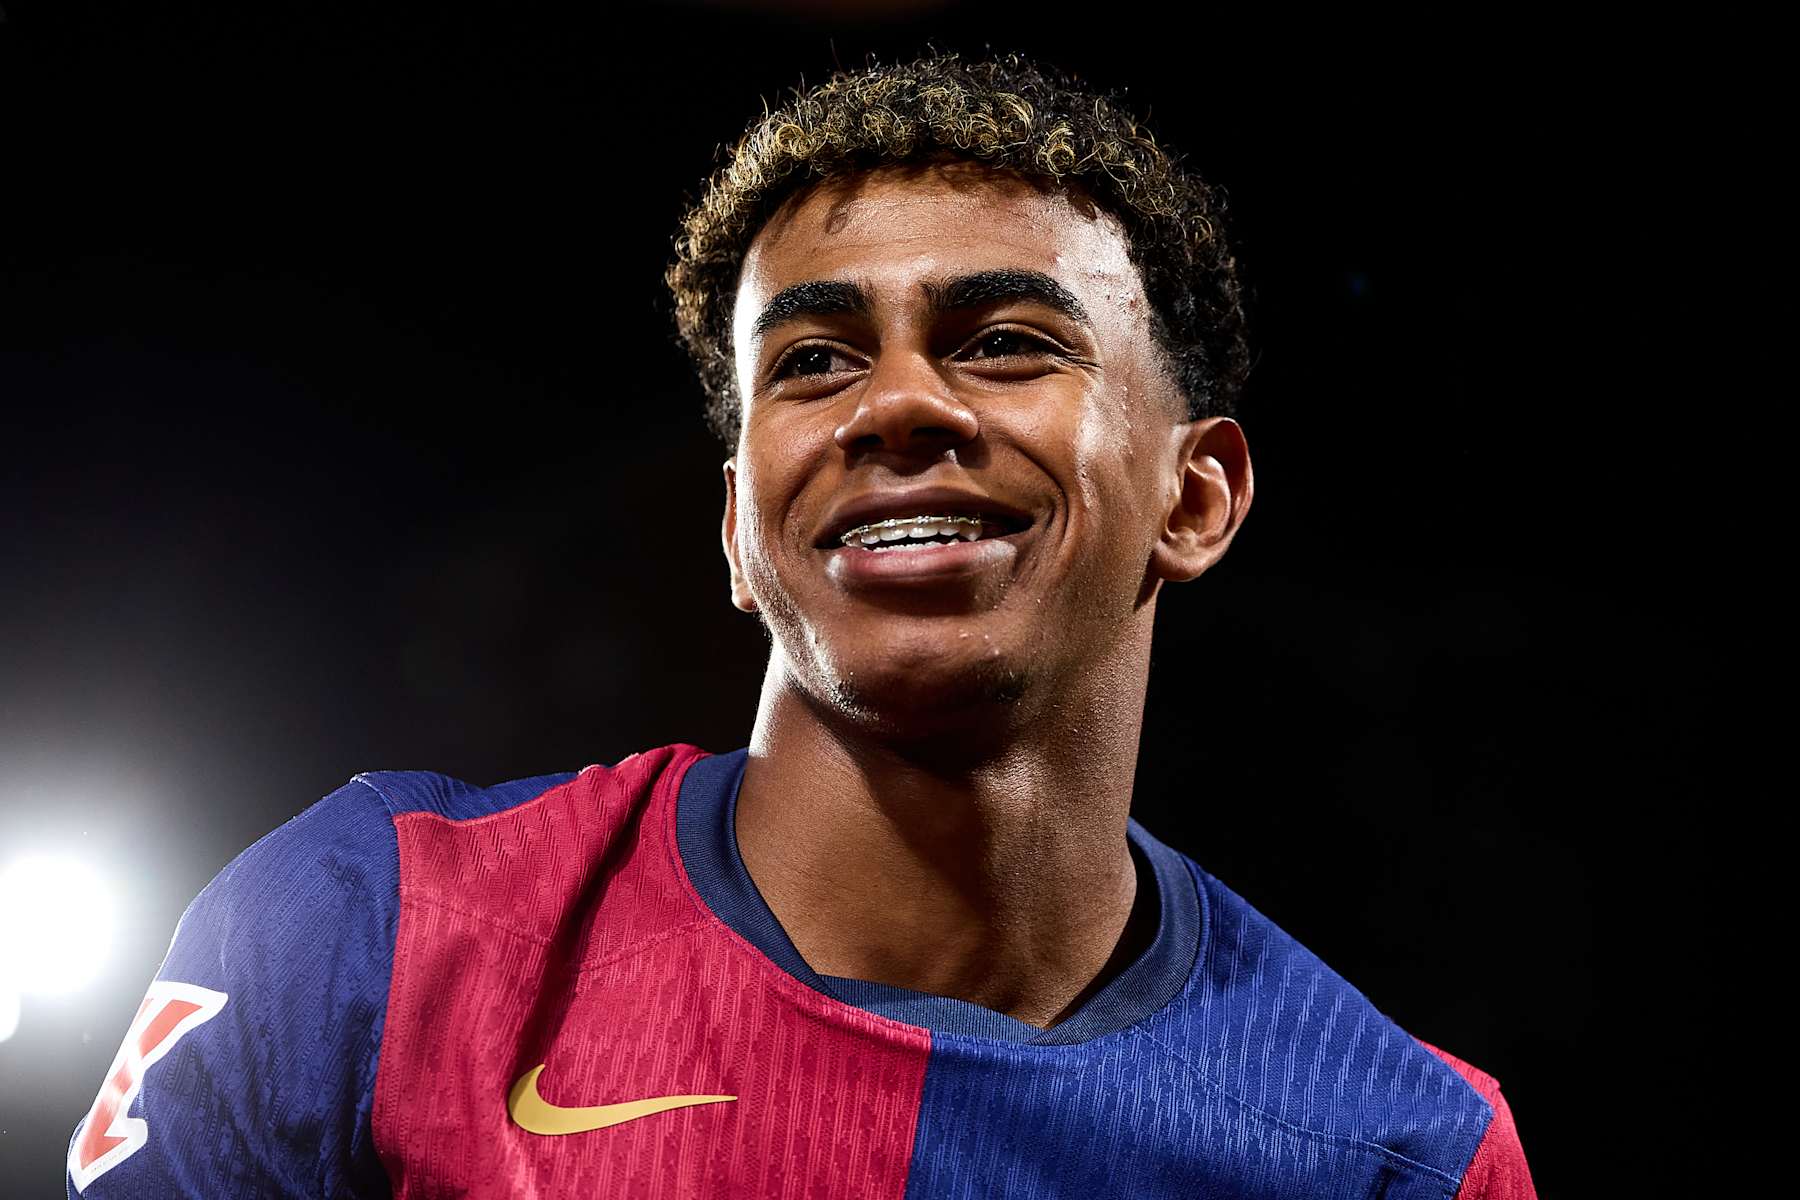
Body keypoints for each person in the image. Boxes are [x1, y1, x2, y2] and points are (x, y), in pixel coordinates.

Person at [67, 52, 1536, 1198]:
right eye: (817, 359)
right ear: (736, 529)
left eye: (1005, 342)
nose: (897, 405)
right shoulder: (367, 935)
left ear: (1195, 495)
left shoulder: (1392, 1150)